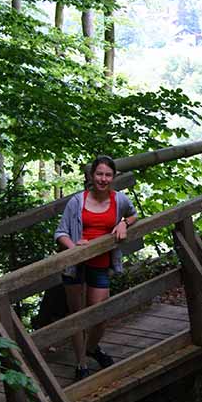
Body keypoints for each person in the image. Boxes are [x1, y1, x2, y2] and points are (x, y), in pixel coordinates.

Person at [54, 156, 137, 380]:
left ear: (113, 177)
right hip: (75, 265)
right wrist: (75, 248)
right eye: (99, 174)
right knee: (78, 316)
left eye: (108, 175)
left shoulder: (119, 199)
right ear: (92, 176)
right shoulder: (77, 202)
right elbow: (60, 232)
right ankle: (81, 364)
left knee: (100, 315)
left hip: (100, 264)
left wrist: (123, 223)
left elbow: (133, 214)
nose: (103, 179)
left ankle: (91, 348)